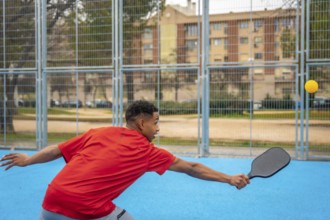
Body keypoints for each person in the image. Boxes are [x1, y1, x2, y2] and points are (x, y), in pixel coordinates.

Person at [0, 100, 249, 220]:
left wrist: (28, 160)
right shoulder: (147, 151)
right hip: (85, 207)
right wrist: (229, 178)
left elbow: (56, 150)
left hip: (51, 201)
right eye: (156, 122)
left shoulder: (98, 133)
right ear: (142, 123)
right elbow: (192, 168)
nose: (158, 128)